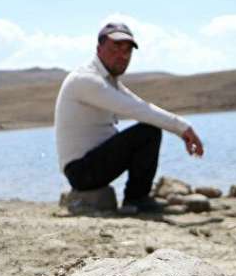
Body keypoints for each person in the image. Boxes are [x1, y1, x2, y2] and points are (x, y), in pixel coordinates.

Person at [55, 22, 205, 214]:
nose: (122, 56)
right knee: (148, 132)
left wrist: (181, 128)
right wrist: (183, 128)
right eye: (115, 48)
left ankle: (136, 198)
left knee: (148, 129)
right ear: (99, 48)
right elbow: (138, 110)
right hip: (81, 171)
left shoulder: (108, 81)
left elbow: (141, 105)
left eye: (127, 51)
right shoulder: (86, 80)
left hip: (90, 166)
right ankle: (137, 199)